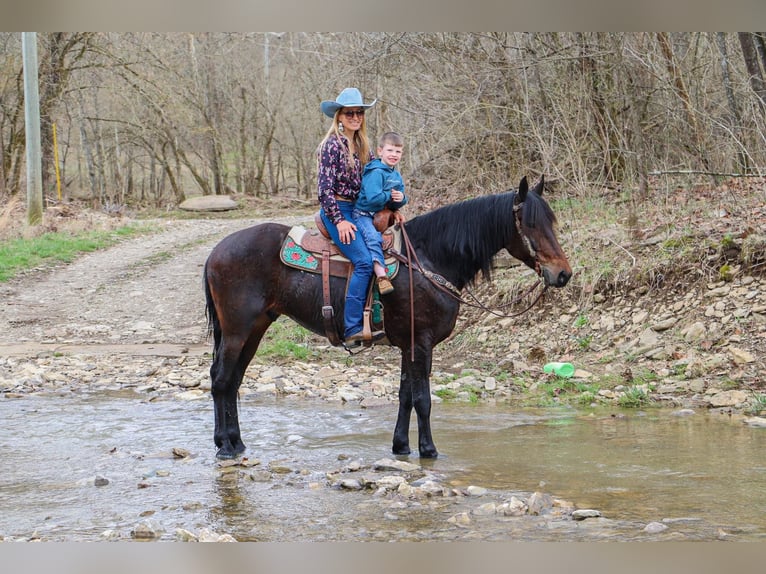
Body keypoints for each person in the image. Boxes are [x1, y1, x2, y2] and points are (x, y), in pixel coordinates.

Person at [316, 87, 384, 346]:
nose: (356, 117)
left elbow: (377, 176)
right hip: (339, 210)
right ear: (340, 117)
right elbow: (324, 190)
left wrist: (392, 202)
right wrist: (339, 220)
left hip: (362, 209)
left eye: (359, 113)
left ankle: (380, 316)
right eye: (350, 113)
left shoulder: (363, 145)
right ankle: (352, 326)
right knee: (365, 261)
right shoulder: (331, 146)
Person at [354, 132, 408, 295]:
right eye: (390, 150)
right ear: (380, 151)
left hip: (382, 215)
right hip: (363, 214)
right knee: (373, 239)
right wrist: (390, 195)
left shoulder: (395, 174)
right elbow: (373, 198)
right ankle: (381, 275)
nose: (394, 155)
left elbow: (399, 196)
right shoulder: (375, 172)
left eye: (398, 152)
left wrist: (401, 198)